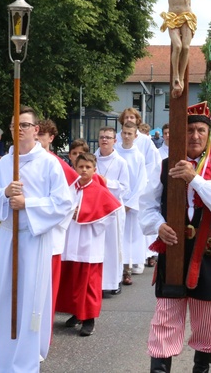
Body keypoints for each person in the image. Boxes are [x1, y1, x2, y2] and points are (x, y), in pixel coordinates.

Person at [139, 101, 211, 373]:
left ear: (210, 136)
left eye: (201, 131)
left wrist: (194, 179)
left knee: (208, 319)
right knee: (165, 318)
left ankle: (201, 368)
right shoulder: (163, 166)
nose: (195, 136)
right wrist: (158, 225)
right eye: (190, 130)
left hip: (209, 248)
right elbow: (146, 205)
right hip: (173, 248)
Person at [0, 106, 74, 372]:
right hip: (8, 237)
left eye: (24, 125)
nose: (18, 129)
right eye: (14, 125)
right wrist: (6, 193)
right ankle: (6, 364)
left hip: (33, 239)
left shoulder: (49, 163)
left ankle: (26, 365)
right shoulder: (4, 163)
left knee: (30, 300)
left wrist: (28, 203)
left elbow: (63, 203)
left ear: (36, 130)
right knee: (4, 297)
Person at [56, 153, 122, 337]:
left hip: (89, 243)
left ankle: (89, 319)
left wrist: (84, 214)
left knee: (88, 284)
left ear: (94, 170)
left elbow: (109, 215)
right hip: (69, 242)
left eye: (88, 167)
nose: (84, 170)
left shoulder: (99, 191)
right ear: (75, 168)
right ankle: (77, 313)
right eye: (80, 167)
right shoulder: (69, 188)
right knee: (70, 281)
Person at [37, 119, 80, 342]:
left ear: (51, 138)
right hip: (28, 235)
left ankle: (43, 337)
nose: (36, 139)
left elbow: (69, 202)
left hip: (50, 234)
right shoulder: (25, 161)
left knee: (46, 290)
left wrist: (49, 223)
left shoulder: (57, 164)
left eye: (41, 136)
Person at [94, 126, 129, 296]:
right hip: (95, 209)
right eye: (101, 137)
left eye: (108, 137)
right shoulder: (92, 159)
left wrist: (106, 182)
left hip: (113, 209)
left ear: (115, 141)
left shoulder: (121, 162)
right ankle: (97, 282)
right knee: (97, 247)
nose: (104, 140)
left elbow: (124, 187)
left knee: (113, 247)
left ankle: (114, 281)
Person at [114, 121, 148, 286]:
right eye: (124, 133)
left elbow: (141, 182)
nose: (126, 136)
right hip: (114, 202)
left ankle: (126, 270)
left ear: (135, 136)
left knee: (128, 239)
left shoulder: (138, 156)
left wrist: (130, 203)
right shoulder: (114, 153)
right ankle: (114, 271)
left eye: (130, 134)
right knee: (115, 238)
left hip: (130, 205)